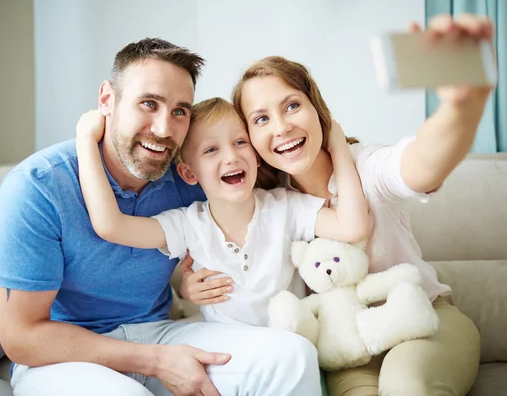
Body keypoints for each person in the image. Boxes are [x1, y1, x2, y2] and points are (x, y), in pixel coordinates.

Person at [0, 38, 322, 396]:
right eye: (149, 103)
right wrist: (154, 360)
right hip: (67, 358)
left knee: (292, 356)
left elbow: (243, 208)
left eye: (180, 111)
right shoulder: (37, 188)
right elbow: (21, 338)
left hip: (161, 331)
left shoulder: (187, 174)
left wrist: (186, 282)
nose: (164, 129)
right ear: (107, 101)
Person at [182, 15, 491, 396]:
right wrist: (185, 283)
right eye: (261, 118)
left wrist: (459, 107)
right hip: (347, 349)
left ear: (317, 109)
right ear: (250, 140)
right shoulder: (267, 203)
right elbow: (199, 227)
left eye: (292, 106)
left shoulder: (365, 167)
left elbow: (420, 166)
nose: (281, 127)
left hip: (425, 320)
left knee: (406, 386)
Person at [75, 97, 370, 328]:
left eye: (240, 142)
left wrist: (338, 144)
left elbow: (353, 227)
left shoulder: (286, 207)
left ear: (255, 156)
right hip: (230, 354)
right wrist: (86, 140)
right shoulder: (187, 224)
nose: (231, 156)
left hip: (290, 344)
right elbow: (111, 226)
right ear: (189, 173)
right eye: (211, 150)